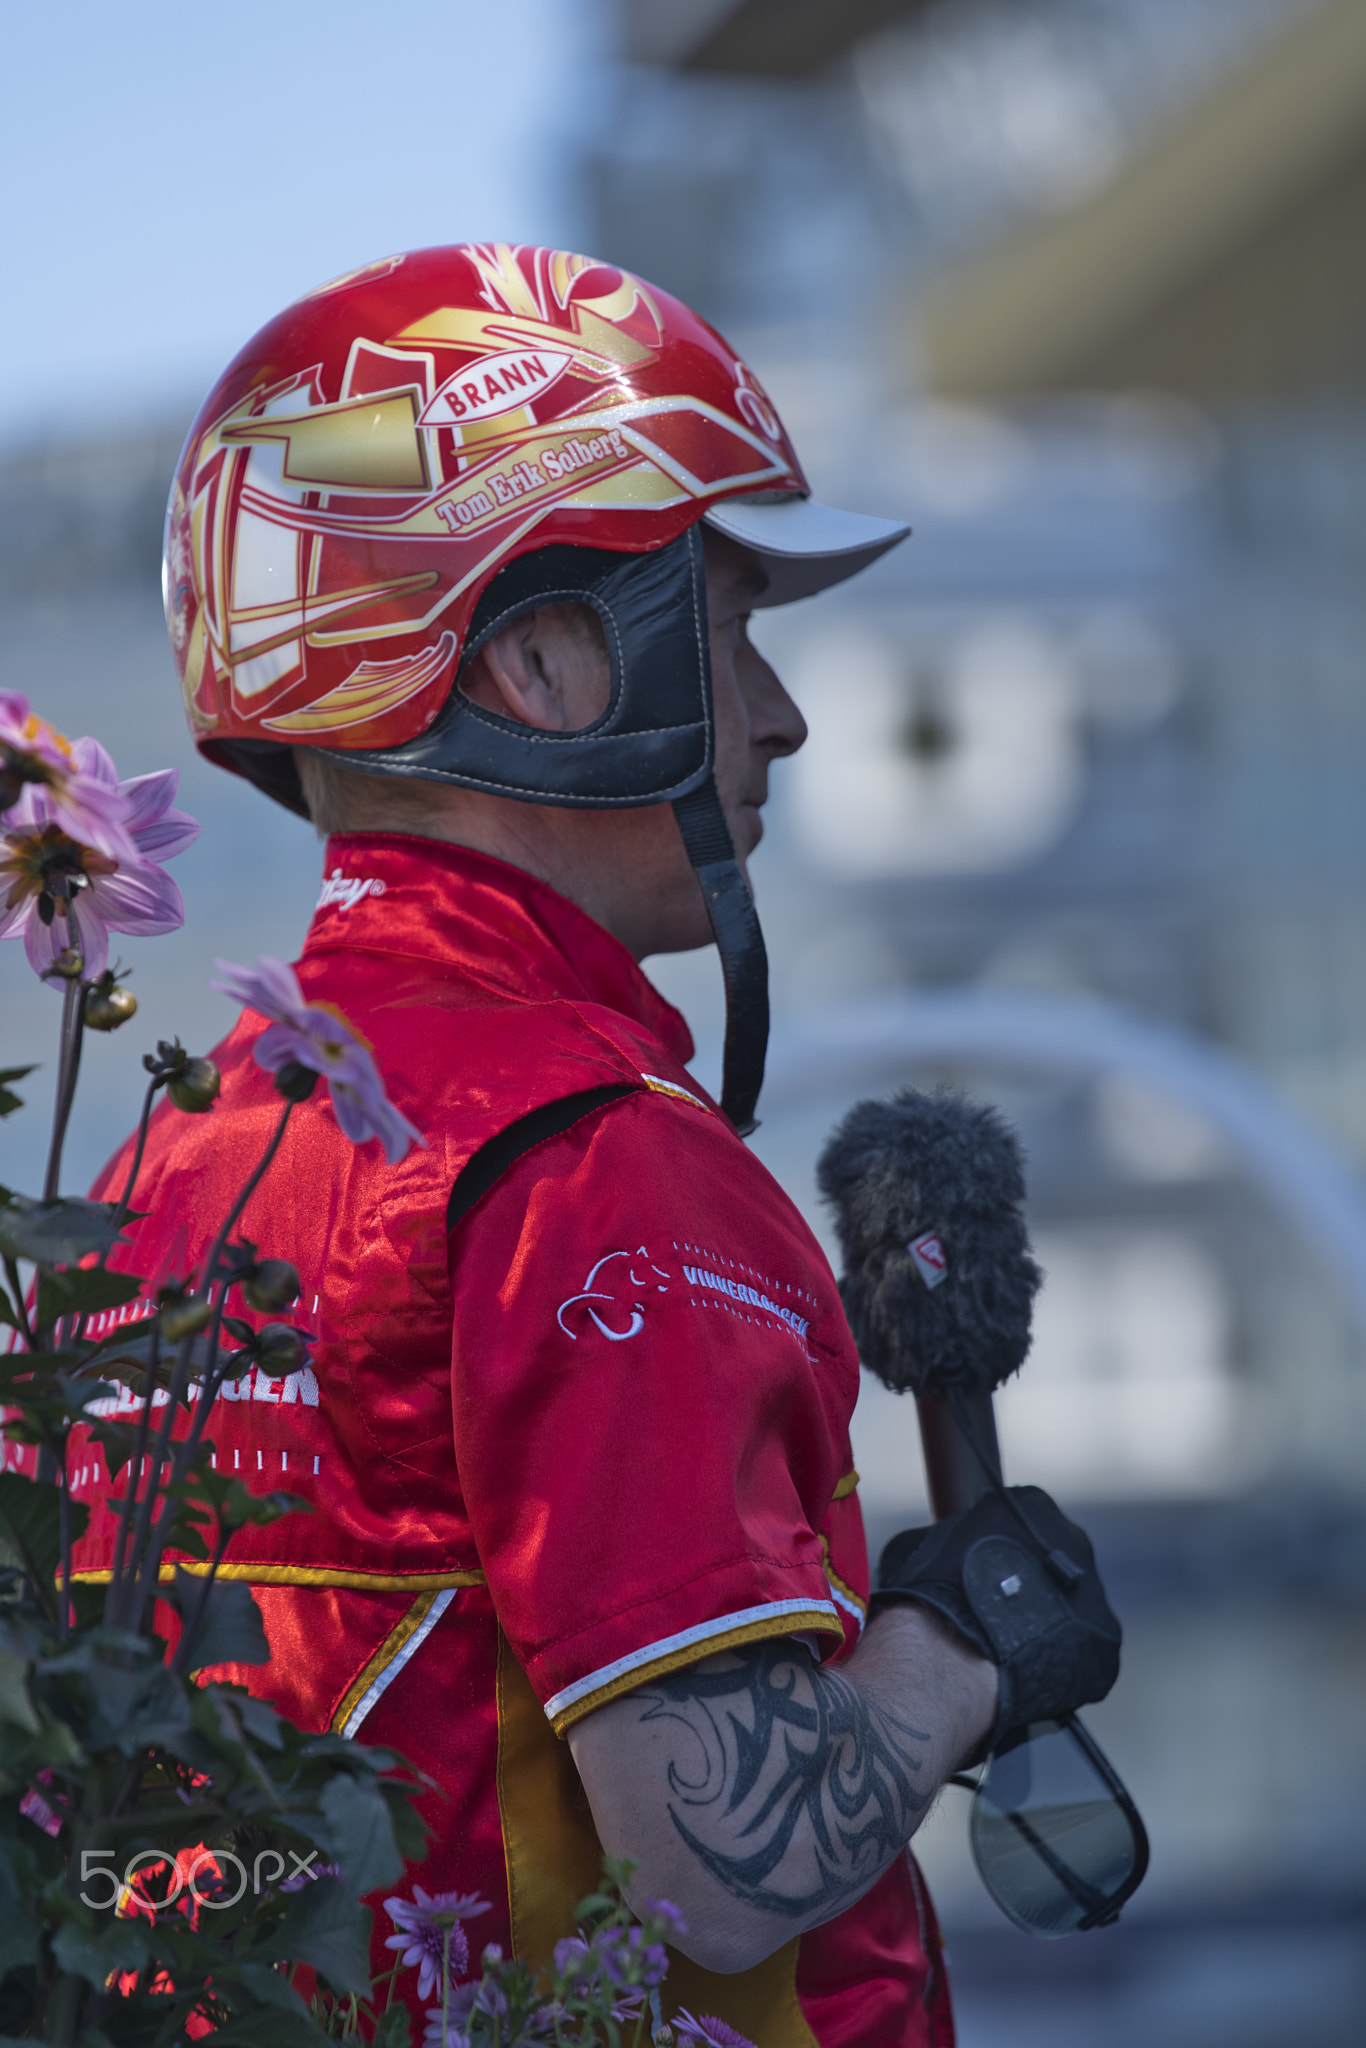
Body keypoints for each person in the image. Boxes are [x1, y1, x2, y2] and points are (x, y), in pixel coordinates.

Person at [72, 245, 1116, 2046]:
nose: (778, 715)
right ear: (551, 662)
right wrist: (965, 1640)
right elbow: (713, 1871)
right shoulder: (590, 1163)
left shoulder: (184, 1144)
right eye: (726, 633)